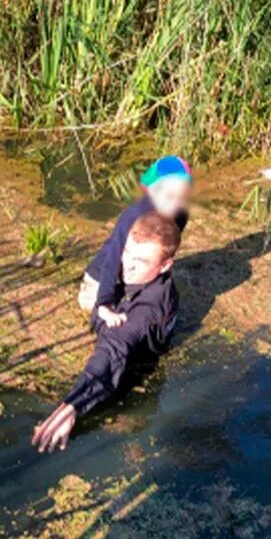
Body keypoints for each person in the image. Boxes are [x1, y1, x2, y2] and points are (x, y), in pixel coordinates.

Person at [33, 212, 182, 453]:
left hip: (137, 359)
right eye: (128, 254)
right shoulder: (128, 266)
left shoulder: (149, 310)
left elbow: (114, 349)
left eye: (142, 261)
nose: (129, 266)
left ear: (165, 265)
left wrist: (73, 405)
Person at [77, 155, 193, 331]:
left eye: (180, 195)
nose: (173, 202)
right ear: (152, 189)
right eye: (167, 194)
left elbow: (165, 252)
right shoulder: (134, 214)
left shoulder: (181, 215)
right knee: (109, 317)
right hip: (103, 278)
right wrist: (105, 303)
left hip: (135, 276)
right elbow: (112, 257)